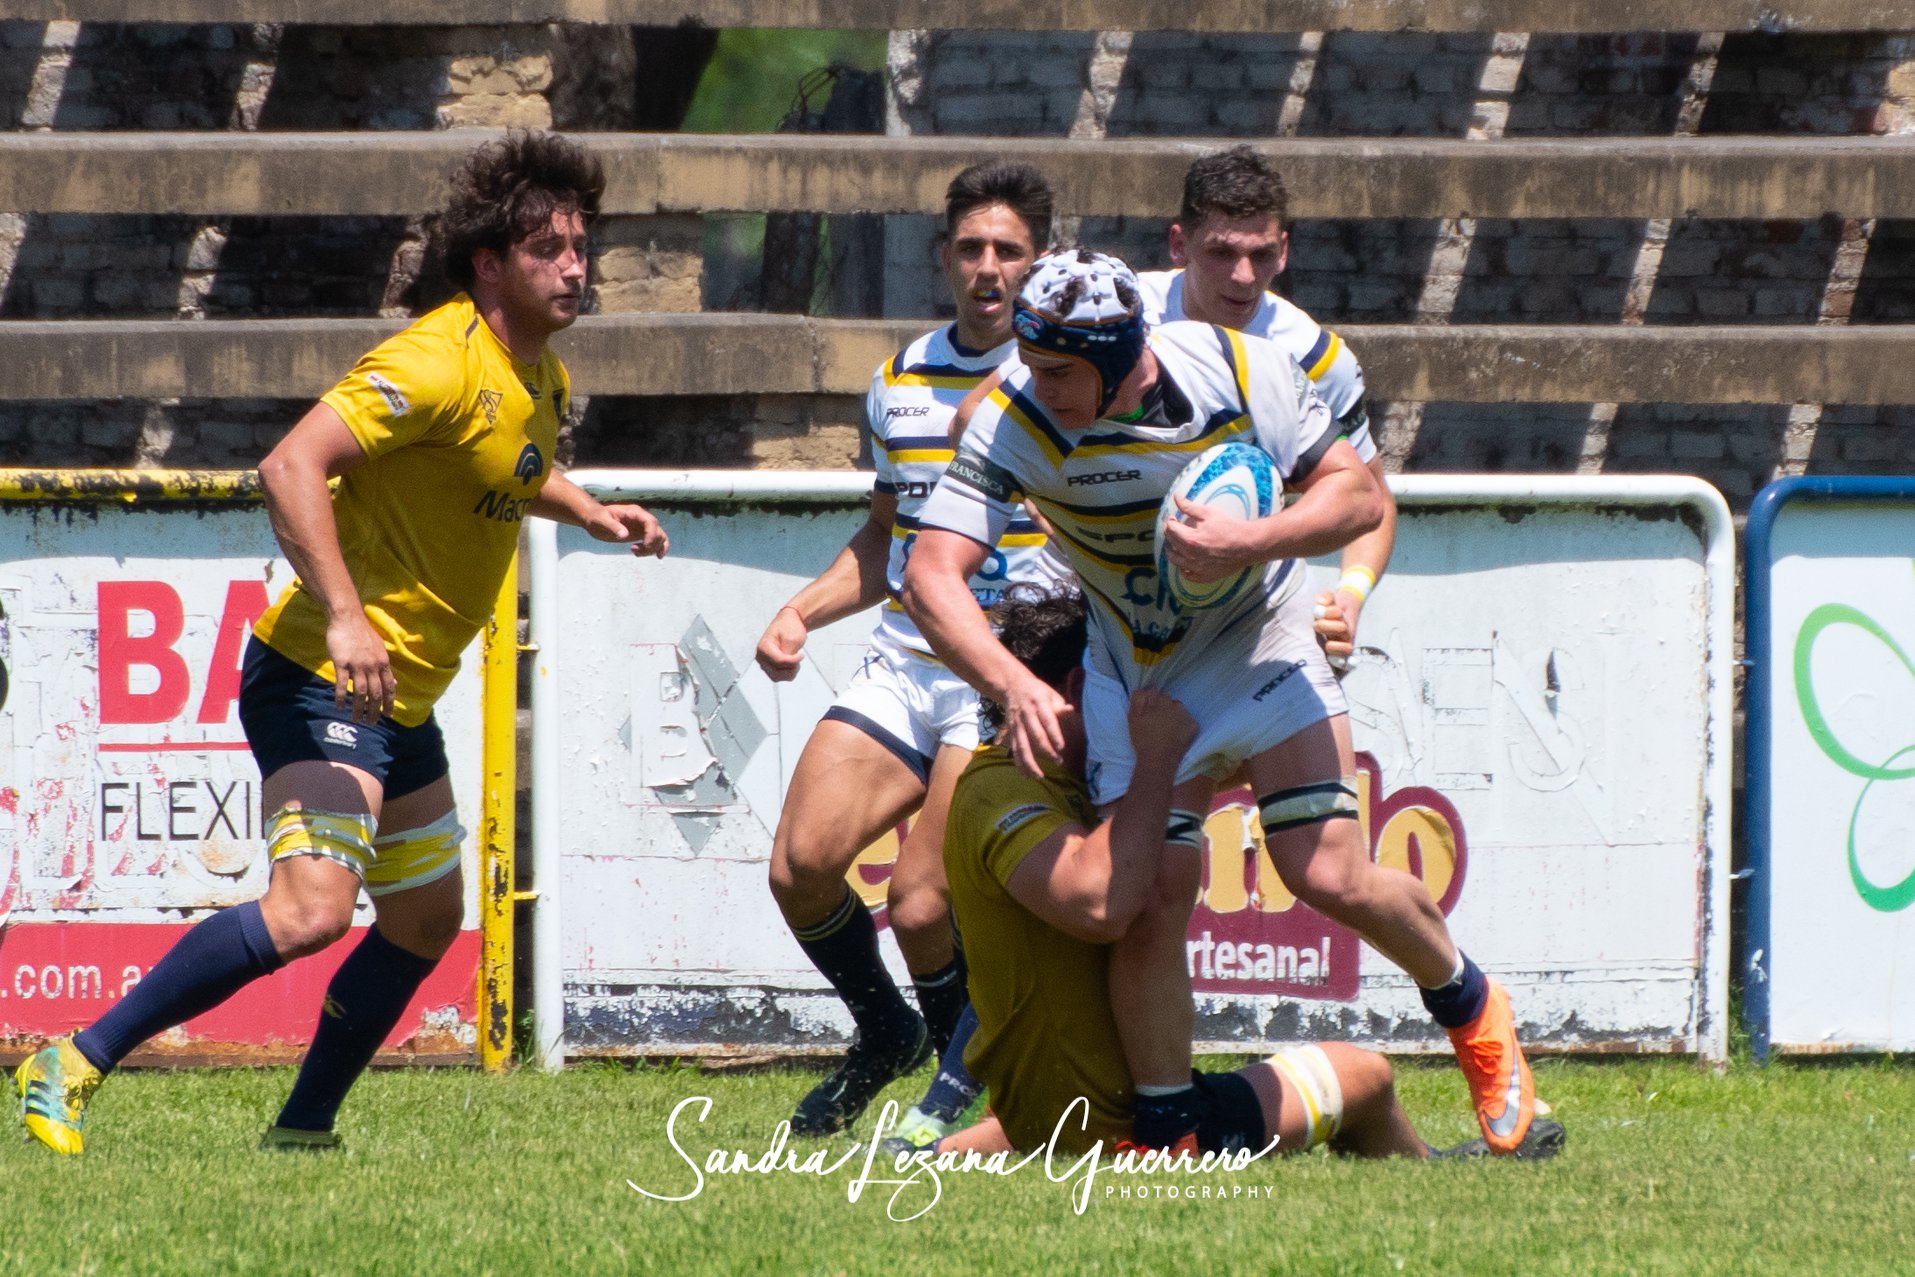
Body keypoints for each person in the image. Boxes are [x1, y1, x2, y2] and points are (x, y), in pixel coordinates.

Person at [15, 131, 668, 1155]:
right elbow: (289, 465)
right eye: (550, 248)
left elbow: (504, 461)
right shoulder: (434, 357)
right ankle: (75, 1056)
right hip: (322, 669)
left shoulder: (538, 374)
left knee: (422, 917)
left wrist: (585, 507)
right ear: (490, 263)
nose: (576, 266)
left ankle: (302, 1129)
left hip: (394, 696)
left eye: (582, 246)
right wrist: (353, 614)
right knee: (312, 907)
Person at [903, 249, 1538, 1156]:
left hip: (1261, 642)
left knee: (1327, 874)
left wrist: (1253, 539)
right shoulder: (1011, 418)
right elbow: (931, 575)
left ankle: (1473, 1006)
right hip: (1141, 667)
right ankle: (1166, 1127)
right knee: (1155, 894)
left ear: (1123, 353)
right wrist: (1010, 681)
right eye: (1029, 365)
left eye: (1058, 371)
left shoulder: (1241, 369)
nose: (1036, 387)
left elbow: (1356, 499)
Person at [918, 585, 1563, 1161]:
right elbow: (1098, 904)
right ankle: (1427, 1167)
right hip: (1118, 1129)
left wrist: (1283, 693)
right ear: (1079, 690)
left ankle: (936, 1148)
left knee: (1329, 875)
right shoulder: (1000, 792)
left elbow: (1173, 792)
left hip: (1059, 1114)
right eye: (1115, 693)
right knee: (1368, 1076)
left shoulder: (1043, 779)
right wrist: (1156, 756)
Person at [753, 161, 1059, 1138]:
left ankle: (963, 1080)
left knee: (922, 902)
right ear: (943, 259)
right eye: (970, 248)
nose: (987, 267)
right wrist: (803, 610)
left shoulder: (1063, 385)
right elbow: (890, 532)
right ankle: (888, 1029)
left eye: (1007, 250)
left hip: (997, 674)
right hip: (901, 661)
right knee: (800, 865)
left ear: (1037, 263)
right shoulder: (900, 378)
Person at [1141, 145, 1392, 670]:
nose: (1243, 276)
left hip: (1252, 615)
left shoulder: (1316, 357)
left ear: (1283, 250)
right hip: (1114, 599)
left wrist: (1351, 593)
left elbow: (1373, 498)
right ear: (1178, 244)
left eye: (1260, 255)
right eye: (1222, 252)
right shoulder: (1124, 317)